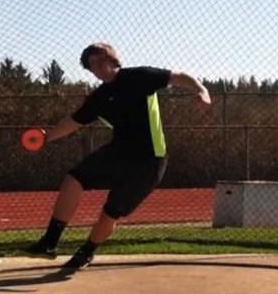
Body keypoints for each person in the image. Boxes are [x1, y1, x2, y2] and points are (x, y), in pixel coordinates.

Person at [23, 42, 211, 270]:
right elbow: (74, 122)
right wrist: (46, 137)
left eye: (100, 58)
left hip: (149, 160)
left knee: (110, 213)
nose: (97, 65)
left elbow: (178, 77)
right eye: (91, 64)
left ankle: (86, 253)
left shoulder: (139, 77)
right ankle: (49, 242)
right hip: (118, 152)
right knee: (73, 179)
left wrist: (202, 90)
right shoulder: (99, 98)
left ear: (112, 58)